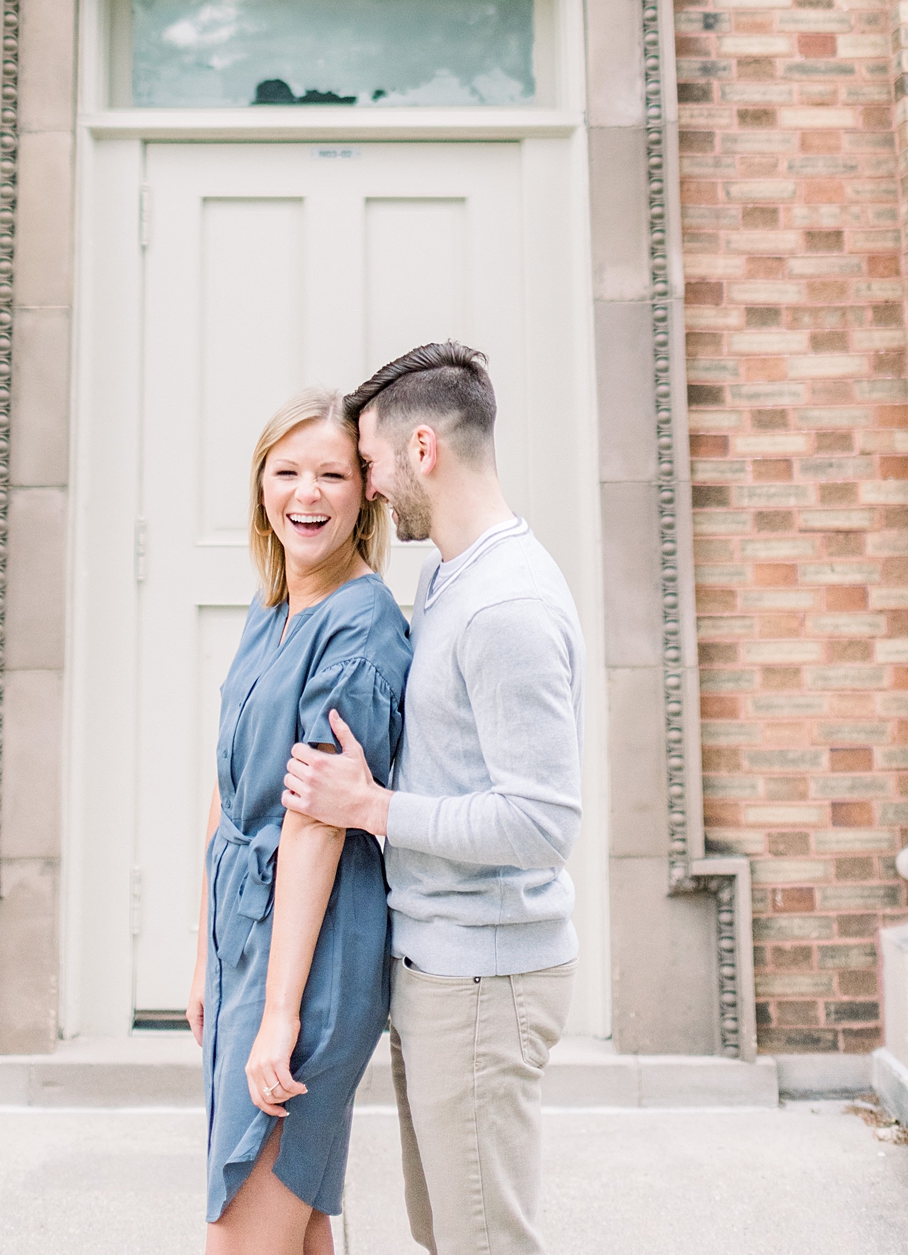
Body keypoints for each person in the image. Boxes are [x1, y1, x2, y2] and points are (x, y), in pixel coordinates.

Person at [281, 342, 585, 1255]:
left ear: (422, 451)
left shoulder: (506, 608)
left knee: (484, 1239)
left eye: (367, 465)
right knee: (447, 1231)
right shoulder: (447, 577)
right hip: (441, 967)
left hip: (485, 975)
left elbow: (542, 823)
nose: (366, 489)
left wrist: (372, 808)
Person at [190, 387, 412, 1255]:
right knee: (291, 1222)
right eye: (286, 472)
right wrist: (207, 951)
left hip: (315, 954)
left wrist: (280, 1013)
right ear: (260, 487)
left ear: (366, 493)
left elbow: (317, 824)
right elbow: (225, 780)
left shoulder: (361, 631)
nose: (306, 494)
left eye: (331, 473)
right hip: (249, 940)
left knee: (244, 1220)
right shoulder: (274, 605)